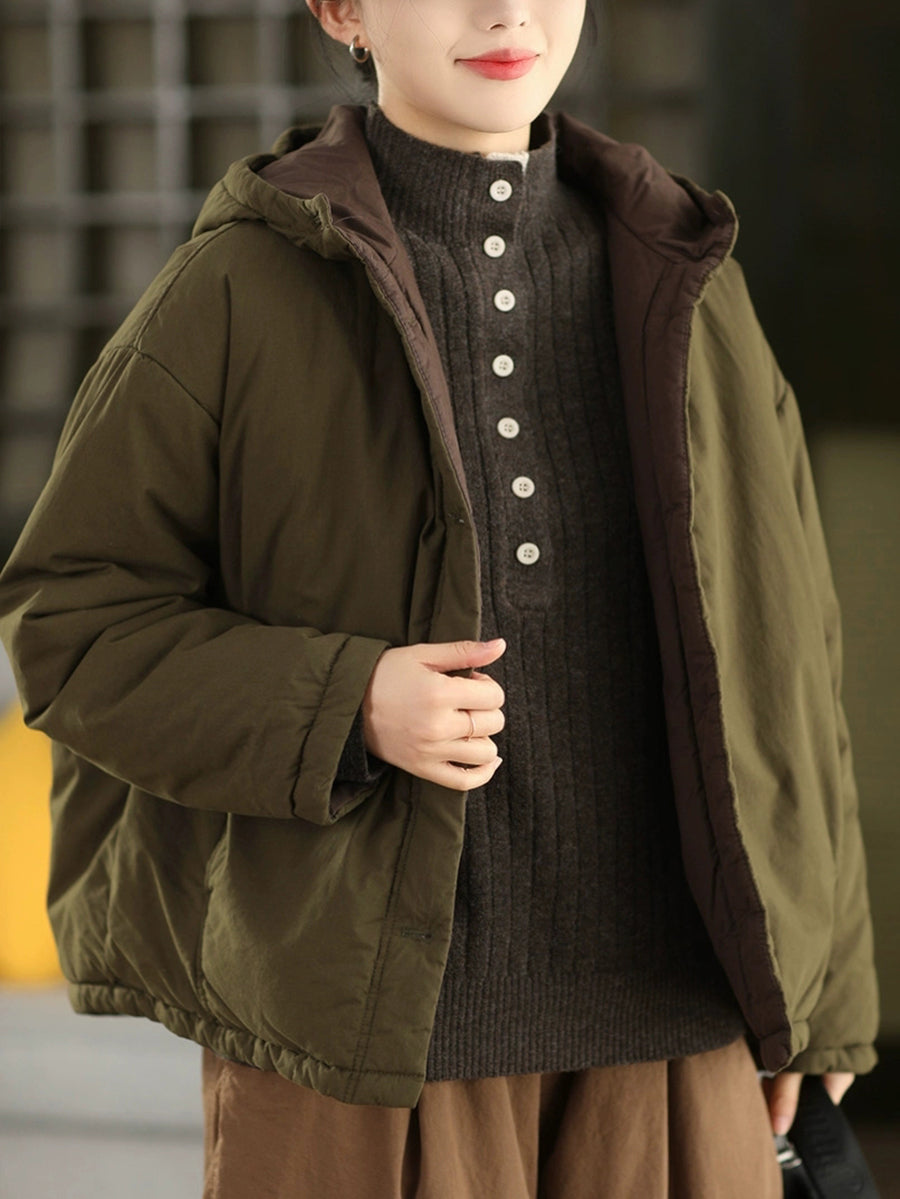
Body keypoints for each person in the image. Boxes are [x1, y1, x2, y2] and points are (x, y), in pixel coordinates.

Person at [0, 0, 878, 1195]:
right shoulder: (238, 287)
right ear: (343, 9)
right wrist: (346, 702)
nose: (505, 10)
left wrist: (826, 996)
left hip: (682, 1026)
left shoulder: (687, 276)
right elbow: (71, 624)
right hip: (362, 1048)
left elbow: (793, 661)